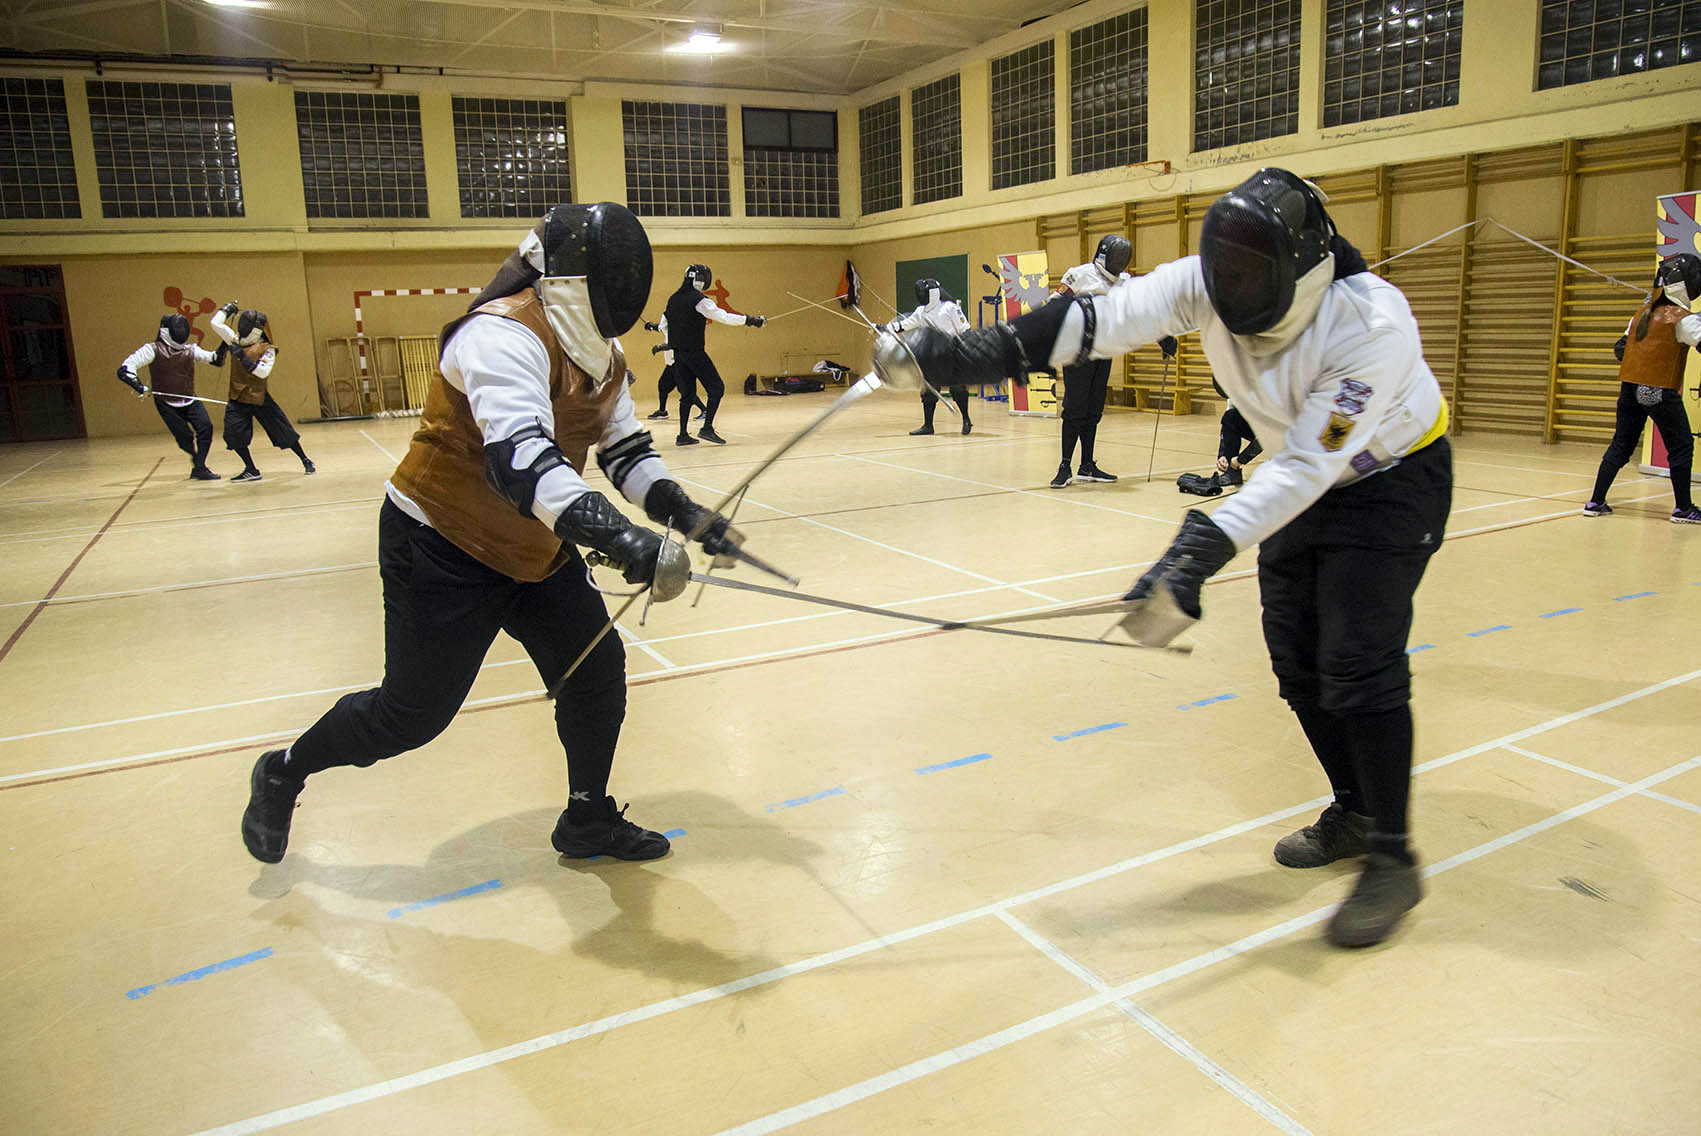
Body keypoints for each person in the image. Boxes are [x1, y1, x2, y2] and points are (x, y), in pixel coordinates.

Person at [899, 168, 1451, 948]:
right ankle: (1355, 810)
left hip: (1388, 481)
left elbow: (1307, 465)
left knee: (1358, 662)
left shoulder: (1371, 329)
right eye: (1225, 274)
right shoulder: (1215, 280)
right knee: (1297, 665)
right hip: (1299, 480)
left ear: (1303, 266)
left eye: (1250, 276)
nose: (1232, 291)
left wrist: (1195, 551)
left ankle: (1394, 859)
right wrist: (975, 354)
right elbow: (1100, 319)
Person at [240, 203, 750, 866]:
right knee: (410, 717)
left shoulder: (604, 353)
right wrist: (620, 539)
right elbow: (521, 461)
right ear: (565, 274)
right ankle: (283, 769)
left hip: (536, 545)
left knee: (593, 671)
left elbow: (622, 450)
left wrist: (685, 513)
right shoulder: (498, 335)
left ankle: (587, 819)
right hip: (441, 543)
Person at [1048, 235, 1178, 488]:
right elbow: (1054, 306)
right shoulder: (1079, 275)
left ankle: (1087, 465)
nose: (1120, 262)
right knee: (1075, 408)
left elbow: (1141, 313)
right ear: (1104, 255)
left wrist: (1164, 337)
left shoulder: (1125, 282)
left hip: (1104, 352)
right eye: (1117, 257)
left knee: (1094, 409)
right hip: (1078, 352)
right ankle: (1065, 466)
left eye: (1124, 258)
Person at [1583, 253, 1701, 523]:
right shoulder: (1681, 317)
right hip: (1658, 391)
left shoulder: (1640, 315)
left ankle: (1595, 501)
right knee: (1681, 446)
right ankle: (1683, 509)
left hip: (1629, 389)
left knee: (1621, 444)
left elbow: (1620, 349)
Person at [208, 303, 315, 481]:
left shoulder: (267, 348)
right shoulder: (233, 340)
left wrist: (242, 357)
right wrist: (226, 310)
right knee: (233, 435)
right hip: (238, 397)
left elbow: (263, 372)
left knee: (283, 431)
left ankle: (305, 460)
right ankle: (251, 469)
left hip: (259, 397)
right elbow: (216, 324)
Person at [663, 264, 765, 446]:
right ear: (701, 280)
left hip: (679, 354)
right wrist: (750, 320)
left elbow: (664, 324)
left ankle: (683, 435)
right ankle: (707, 428)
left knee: (687, 394)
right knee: (717, 388)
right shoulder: (699, 300)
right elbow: (723, 316)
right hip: (695, 352)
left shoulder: (673, 299)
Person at [116, 314, 222, 480]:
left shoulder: (190, 350)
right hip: (167, 404)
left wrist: (227, 343)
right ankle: (197, 462)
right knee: (185, 438)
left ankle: (199, 467)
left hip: (190, 400)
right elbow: (125, 369)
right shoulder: (152, 349)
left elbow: (215, 359)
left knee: (206, 427)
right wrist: (138, 385)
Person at [888, 278, 973, 436]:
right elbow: (905, 324)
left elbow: (965, 329)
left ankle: (966, 420)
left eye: (923, 292)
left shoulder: (950, 308)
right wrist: (884, 328)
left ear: (932, 293)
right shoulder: (921, 311)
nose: (920, 295)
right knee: (928, 390)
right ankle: (928, 426)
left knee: (957, 388)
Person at [641, 314, 702, 423]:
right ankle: (662, 411)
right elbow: (661, 328)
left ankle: (704, 410)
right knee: (663, 386)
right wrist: (650, 326)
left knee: (684, 390)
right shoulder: (669, 326)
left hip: (679, 363)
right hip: (671, 363)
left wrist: (660, 347)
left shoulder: (680, 329)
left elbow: (676, 344)